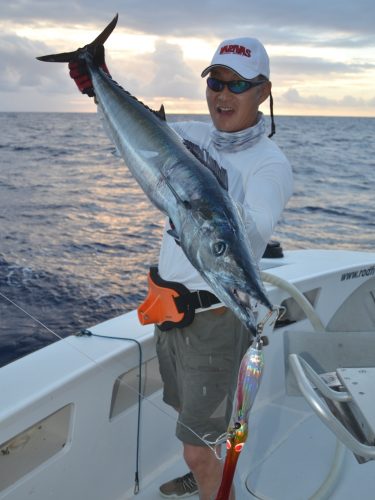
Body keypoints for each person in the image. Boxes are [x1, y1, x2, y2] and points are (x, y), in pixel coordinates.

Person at [69, 36, 293, 500]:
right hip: (172, 316)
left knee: (198, 445)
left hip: (213, 324)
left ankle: (207, 476)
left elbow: (249, 236)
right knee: (190, 419)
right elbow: (137, 137)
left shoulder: (269, 165)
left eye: (239, 84)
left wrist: (205, 195)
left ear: (263, 92)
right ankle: (203, 467)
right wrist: (99, 87)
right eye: (216, 82)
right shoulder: (190, 136)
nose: (223, 94)